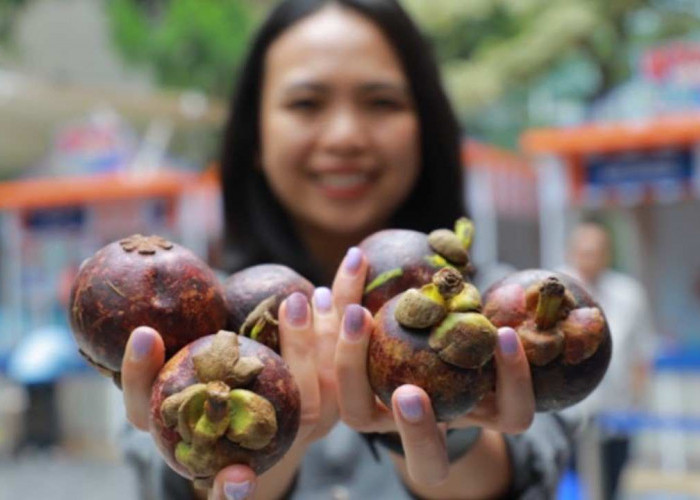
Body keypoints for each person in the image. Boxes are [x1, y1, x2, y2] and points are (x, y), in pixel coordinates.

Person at [119, 1, 579, 498]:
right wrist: (261, 444)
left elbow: (536, 460)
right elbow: (160, 478)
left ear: (425, 127)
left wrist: (449, 430)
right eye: (306, 103)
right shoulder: (185, 321)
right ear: (255, 134)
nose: (345, 136)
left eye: (381, 102)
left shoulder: (508, 310)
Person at [562, 220, 657, 500]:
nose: (589, 258)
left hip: (617, 414)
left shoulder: (629, 294)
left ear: (608, 254)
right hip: (568, 416)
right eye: (583, 251)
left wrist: (637, 405)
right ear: (571, 252)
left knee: (611, 487)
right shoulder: (550, 287)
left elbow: (641, 353)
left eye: (596, 251)